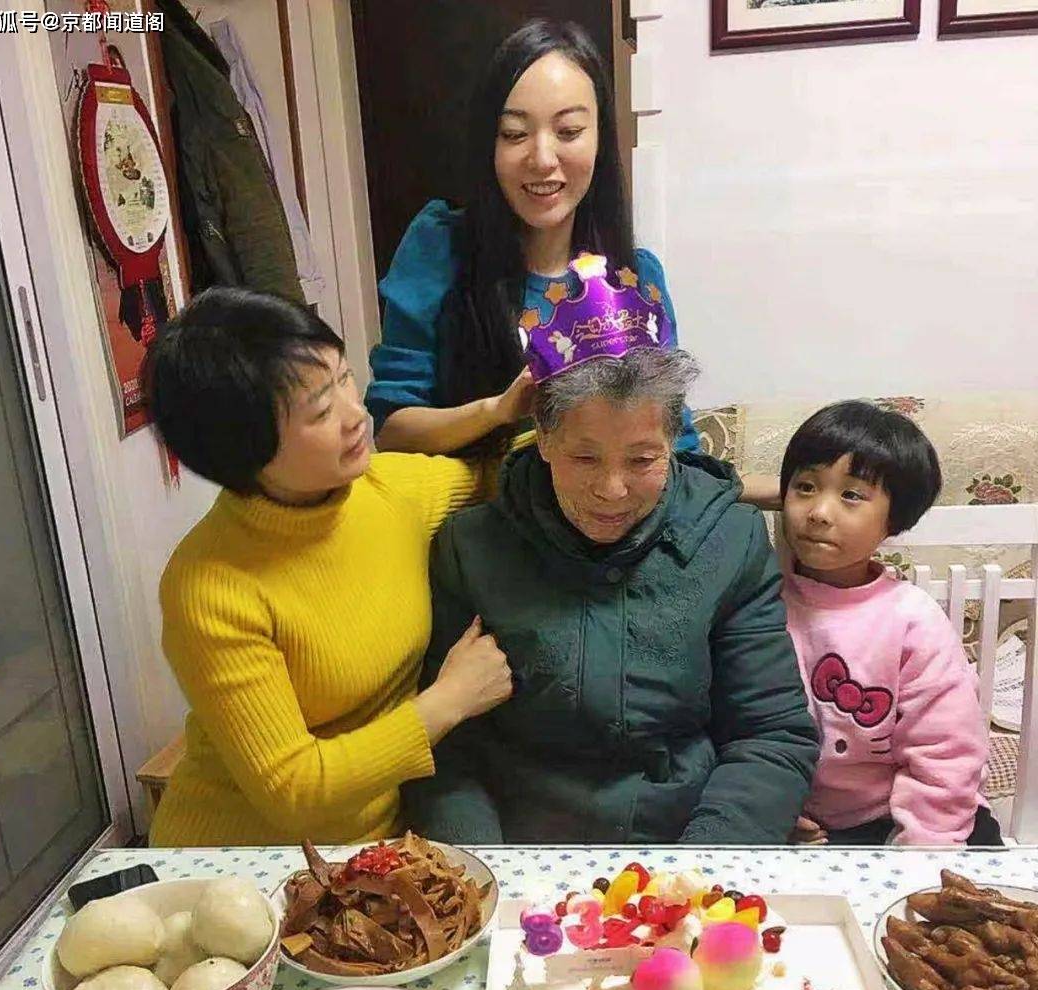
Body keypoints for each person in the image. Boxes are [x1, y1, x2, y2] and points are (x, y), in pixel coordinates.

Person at [402, 257, 818, 844]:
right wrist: (488, 874)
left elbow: (771, 734)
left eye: (643, 460)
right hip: (524, 848)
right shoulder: (471, 548)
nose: (612, 490)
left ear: (673, 442)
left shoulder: (731, 539)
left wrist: (699, 868)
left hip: (683, 840)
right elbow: (447, 750)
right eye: (585, 457)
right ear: (543, 438)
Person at [144, 287, 515, 848]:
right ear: (244, 448)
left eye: (345, 378)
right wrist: (450, 700)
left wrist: (519, 412)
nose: (356, 414)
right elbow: (291, 789)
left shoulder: (389, 492)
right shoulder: (209, 587)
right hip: (242, 860)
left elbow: (502, 474)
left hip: (373, 851)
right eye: (321, 411)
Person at [365, 19, 700, 459]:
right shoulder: (438, 248)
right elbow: (392, 431)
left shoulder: (636, 276)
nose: (542, 159)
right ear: (489, 143)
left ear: (600, 138)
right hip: (479, 498)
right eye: (515, 134)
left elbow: (677, 443)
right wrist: (496, 411)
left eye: (569, 132)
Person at [780, 401, 1001, 847]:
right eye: (805, 487)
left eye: (851, 495)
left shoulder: (911, 619)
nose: (819, 511)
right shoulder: (759, 602)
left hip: (906, 814)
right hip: (802, 823)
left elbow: (946, 750)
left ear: (894, 519)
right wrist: (769, 806)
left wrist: (920, 853)